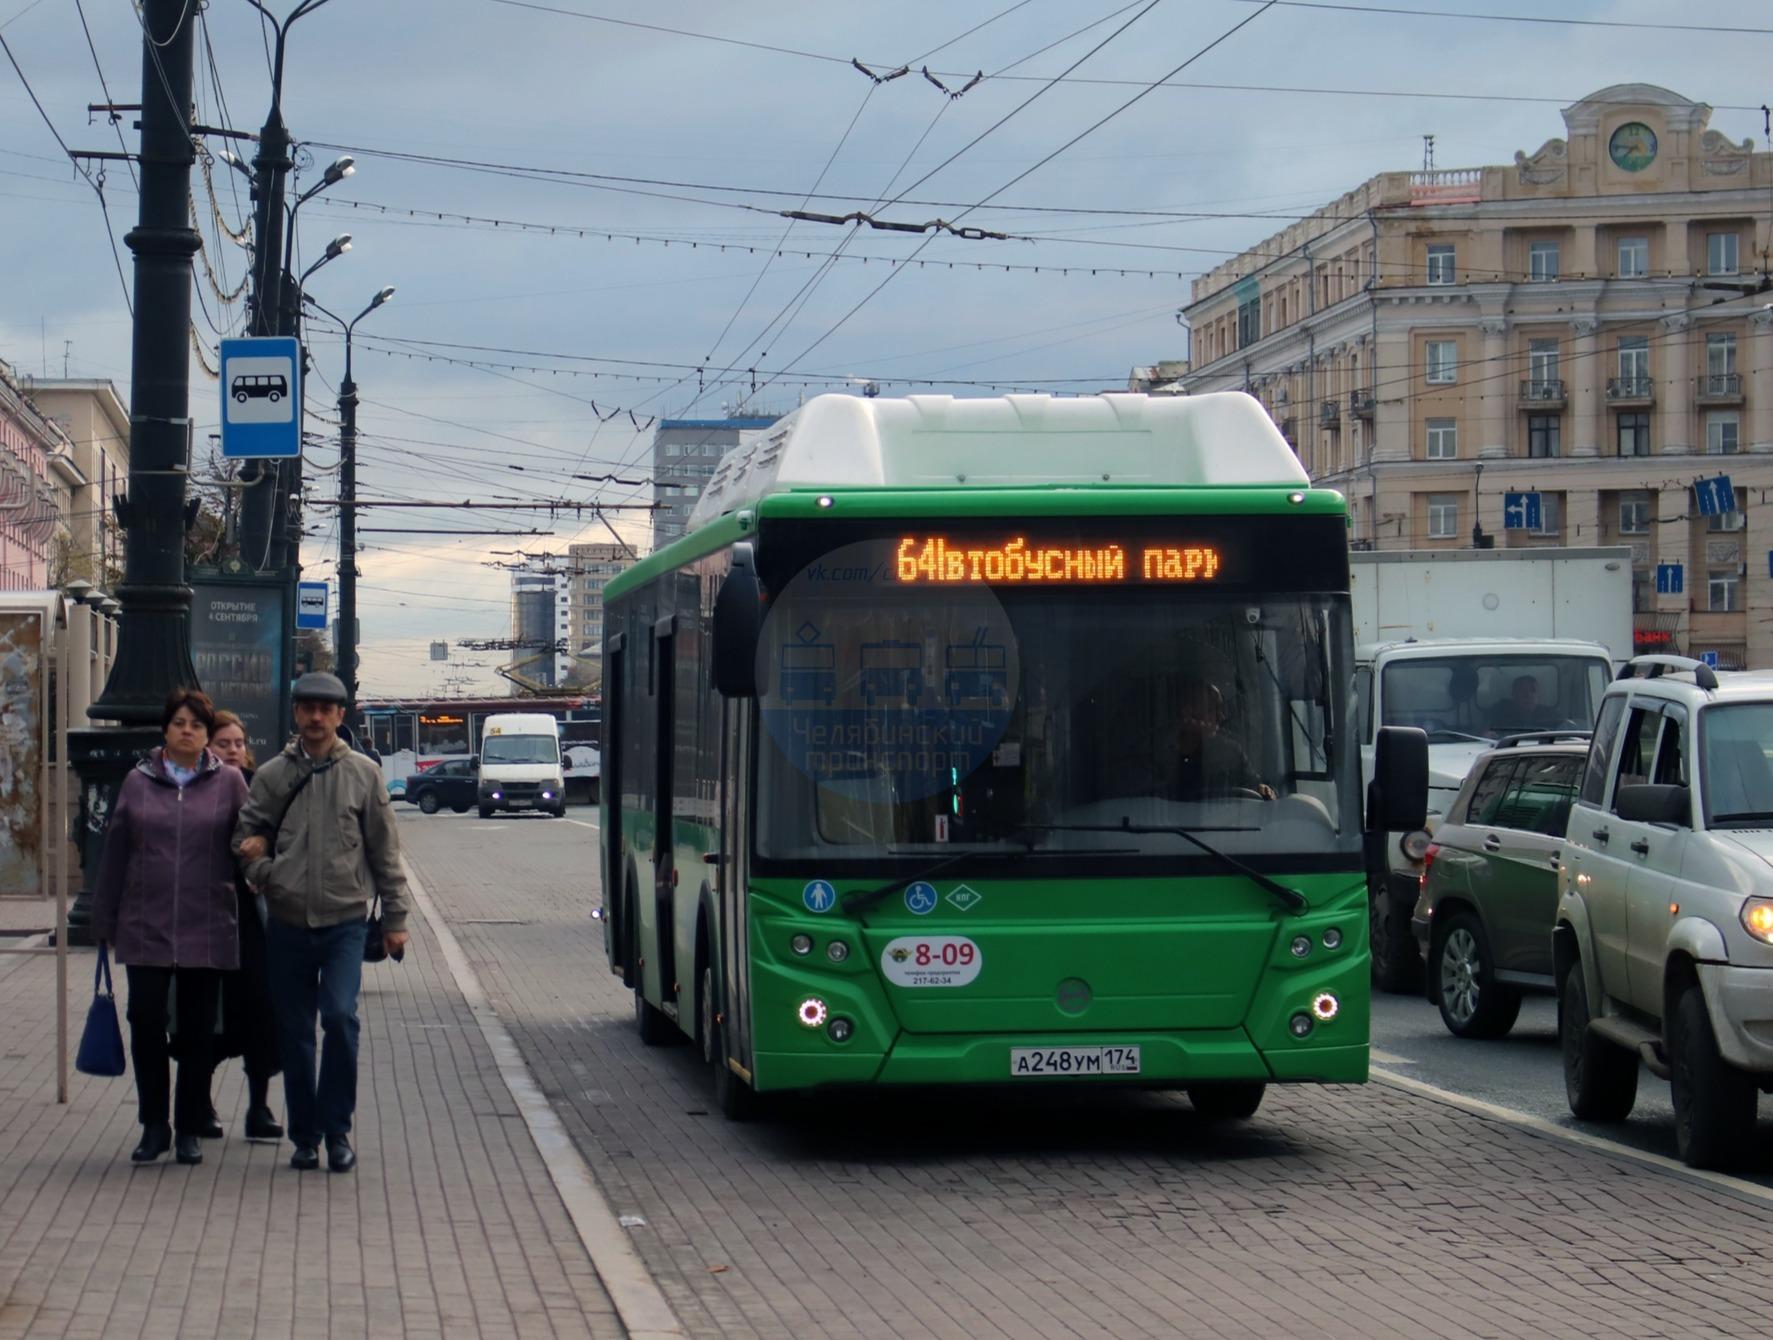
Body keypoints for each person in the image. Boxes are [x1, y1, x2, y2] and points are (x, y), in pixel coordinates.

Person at [233, 673, 410, 1174]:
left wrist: (396, 918)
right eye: (307, 708)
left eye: (325, 709)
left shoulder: (363, 774)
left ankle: (338, 1130)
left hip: (344, 922)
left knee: (338, 1018)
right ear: (295, 714)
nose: (315, 717)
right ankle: (305, 1137)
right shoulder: (272, 775)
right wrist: (267, 872)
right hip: (287, 922)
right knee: (294, 1034)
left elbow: (385, 851)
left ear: (339, 716)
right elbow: (246, 835)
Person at [91, 690, 248, 1167]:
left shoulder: (230, 783)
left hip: (206, 924)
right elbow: (115, 851)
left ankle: (187, 1129)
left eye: (196, 725)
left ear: (205, 735)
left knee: (199, 1032)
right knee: (145, 1020)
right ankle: (154, 1125)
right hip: (146, 923)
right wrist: (104, 917)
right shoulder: (137, 782)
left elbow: (248, 842)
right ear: (166, 729)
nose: (187, 731)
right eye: (179, 723)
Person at [208, 711, 284, 1141]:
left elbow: (279, 833)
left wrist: (265, 862)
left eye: (238, 743)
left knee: (260, 1011)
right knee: (208, 1015)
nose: (234, 751)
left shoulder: (258, 787)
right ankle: (201, 1102)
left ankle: (259, 1107)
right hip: (208, 916)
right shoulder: (199, 790)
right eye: (224, 743)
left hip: (253, 919)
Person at [1172, 680, 1272, 799]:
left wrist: (1268, 790)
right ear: (1188, 713)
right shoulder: (1160, 754)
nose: (1221, 717)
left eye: (1221, 709)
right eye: (1213, 709)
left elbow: (1257, 786)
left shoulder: (1231, 752)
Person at [1489, 674, 1559, 733]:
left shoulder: (1551, 715)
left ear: (1539, 694)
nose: (1528, 695)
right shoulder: (1500, 715)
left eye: (1533, 690)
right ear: (1513, 694)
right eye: (1522, 690)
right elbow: (1484, 735)